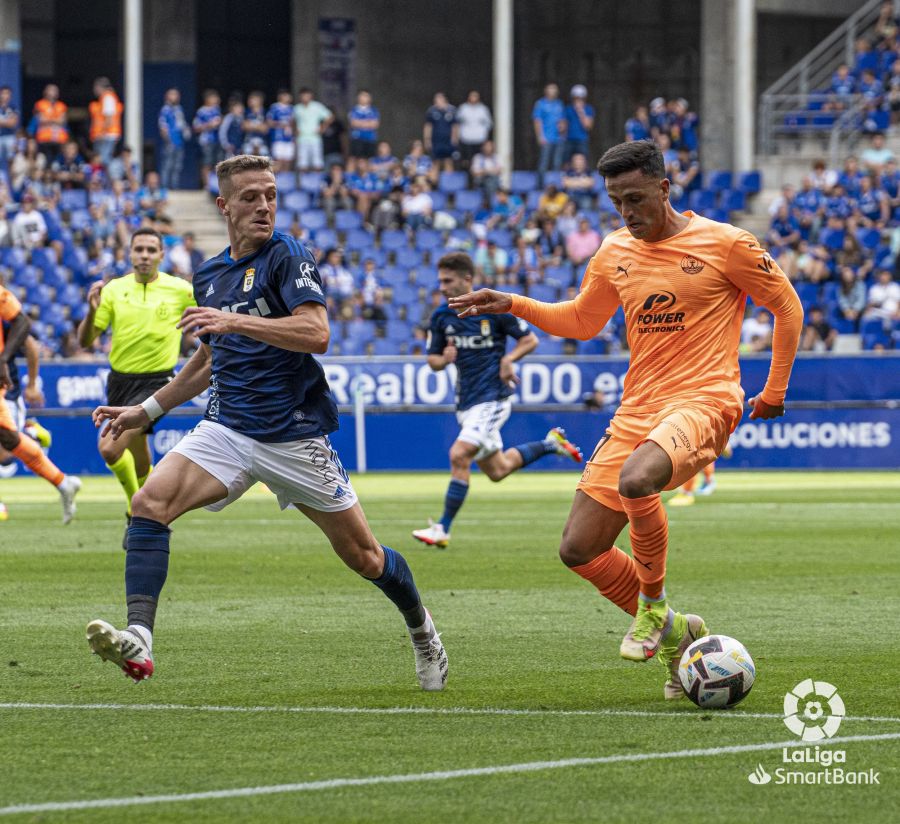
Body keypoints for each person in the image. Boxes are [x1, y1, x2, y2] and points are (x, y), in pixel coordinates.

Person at [448, 140, 803, 700]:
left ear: (664, 188)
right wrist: (512, 303)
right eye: (617, 202)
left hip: (706, 398)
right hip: (639, 407)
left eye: (635, 199)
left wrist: (775, 388)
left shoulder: (727, 243)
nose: (627, 213)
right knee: (578, 547)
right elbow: (582, 321)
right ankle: (678, 637)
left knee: (637, 480)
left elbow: (787, 305)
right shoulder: (614, 250)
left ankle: (653, 608)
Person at [85, 154, 448, 692]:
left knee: (365, 557)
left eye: (271, 195)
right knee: (149, 503)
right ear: (223, 205)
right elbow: (207, 361)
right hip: (228, 428)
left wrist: (233, 319)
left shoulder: (288, 256)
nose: (263, 206)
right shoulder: (209, 275)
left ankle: (423, 632)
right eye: (251, 197)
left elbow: (316, 332)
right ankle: (140, 636)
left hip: (293, 435)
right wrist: (146, 411)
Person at [411, 252, 582, 549]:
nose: (442, 286)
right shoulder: (440, 316)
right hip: (466, 402)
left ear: (467, 279)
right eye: (439, 281)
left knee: (458, 455)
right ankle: (551, 444)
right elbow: (432, 360)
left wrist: (508, 358)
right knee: (498, 470)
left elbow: (530, 340)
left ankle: (442, 528)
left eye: (447, 280)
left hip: (494, 397)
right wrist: (444, 359)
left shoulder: (493, 309)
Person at [77, 228, 196, 545]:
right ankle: (146, 505)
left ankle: (136, 509)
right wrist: (91, 310)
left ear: (161, 255)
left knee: (109, 447)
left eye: (150, 250)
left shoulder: (181, 290)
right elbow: (85, 340)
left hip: (157, 382)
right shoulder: (114, 290)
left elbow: (210, 313)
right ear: (129, 254)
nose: (144, 255)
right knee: (138, 454)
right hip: (120, 380)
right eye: (138, 250)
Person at [0, 284, 80, 522]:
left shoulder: (9, 316)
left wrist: (32, 384)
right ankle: (62, 482)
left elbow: (30, 342)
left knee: (6, 446)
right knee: (6, 442)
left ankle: (32, 436)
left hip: (7, 386)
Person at [158, 88, 191, 190]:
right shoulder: (165, 109)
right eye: (172, 95)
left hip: (179, 142)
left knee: (177, 166)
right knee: (167, 165)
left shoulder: (179, 109)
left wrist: (186, 131)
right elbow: (162, 125)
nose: (175, 97)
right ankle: (165, 188)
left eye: (176, 95)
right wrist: (168, 139)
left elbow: (181, 123)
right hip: (170, 141)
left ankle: (174, 187)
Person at [293, 88, 332, 172]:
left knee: (317, 163)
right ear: (300, 97)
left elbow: (330, 117)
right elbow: (292, 120)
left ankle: (317, 183)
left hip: (315, 138)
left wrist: (323, 127)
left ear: (311, 96)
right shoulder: (297, 108)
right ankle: (304, 184)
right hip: (301, 138)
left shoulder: (317, 106)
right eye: (303, 95)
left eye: (307, 95)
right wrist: (295, 130)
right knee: (302, 163)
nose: (305, 97)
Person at [89, 77, 123, 168]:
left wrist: (102, 133)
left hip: (107, 135)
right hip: (106, 134)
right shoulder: (105, 98)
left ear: (100, 87)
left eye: (95, 87)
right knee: (101, 159)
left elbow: (109, 118)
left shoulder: (108, 97)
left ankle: (108, 180)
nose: (94, 90)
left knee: (104, 160)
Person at [532, 83, 565, 174]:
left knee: (557, 163)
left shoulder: (559, 103)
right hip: (546, 137)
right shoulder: (540, 103)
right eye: (551, 89)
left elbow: (562, 119)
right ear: (546, 91)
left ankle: (555, 185)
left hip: (558, 138)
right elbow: (537, 121)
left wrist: (562, 127)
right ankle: (541, 186)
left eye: (555, 89)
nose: (553, 91)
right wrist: (540, 136)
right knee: (544, 163)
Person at [455, 90, 493, 166]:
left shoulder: (483, 109)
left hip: (479, 138)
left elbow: (489, 123)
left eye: (475, 96)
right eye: (472, 96)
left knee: (478, 161)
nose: (473, 98)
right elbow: (457, 122)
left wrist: (484, 133)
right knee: (467, 161)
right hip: (466, 139)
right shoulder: (463, 108)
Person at [193, 90, 223, 185]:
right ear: (207, 99)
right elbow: (196, 127)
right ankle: (207, 185)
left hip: (217, 141)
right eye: (214, 98)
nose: (217, 100)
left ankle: (216, 185)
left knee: (218, 163)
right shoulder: (202, 111)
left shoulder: (217, 110)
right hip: (206, 141)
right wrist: (209, 125)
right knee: (207, 163)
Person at [423, 92, 458, 172]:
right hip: (436, 141)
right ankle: (435, 182)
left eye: (440, 99)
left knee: (448, 161)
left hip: (448, 141)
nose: (438, 101)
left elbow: (455, 126)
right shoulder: (431, 111)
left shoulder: (451, 110)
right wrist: (427, 140)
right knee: (435, 161)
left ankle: (449, 183)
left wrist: (455, 138)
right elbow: (428, 126)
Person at [33, 84, 68, 161]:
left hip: (59, 139)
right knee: (44, 161)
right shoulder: (39, 104)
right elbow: (41, 120)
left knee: (57, 163)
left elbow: (62, 121)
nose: (53, 92)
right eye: (51, 90)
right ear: (45, 92)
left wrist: (49, 119)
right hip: (44, 138)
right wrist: (55, 119)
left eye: (55, 90)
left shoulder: (62, 106)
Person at [267, 89, 295, 172]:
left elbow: (294, 123)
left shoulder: (292, 108)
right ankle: (277, 183)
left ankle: (286, 183)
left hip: (289, 139)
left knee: (288, 162)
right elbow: (269, 122)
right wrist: (280, 124)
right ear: (280, 96)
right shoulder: (275, 107)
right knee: (278, 162)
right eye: (285, 95)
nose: (288, 97)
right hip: (278, 138)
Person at [564, 85, 595, 161]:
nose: (578, 100)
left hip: (582, 139)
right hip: (569, 139)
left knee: (582, 162)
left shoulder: (588, 109)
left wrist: (581, 112)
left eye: (581, 98)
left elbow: (588, 126)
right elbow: (564, 125)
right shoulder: (568, 109)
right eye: (576, 98)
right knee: (566, 161)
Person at [349, 90, 380, 161]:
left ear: (370, 98)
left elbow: (375, 124)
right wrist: (368, 123)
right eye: (362, 96)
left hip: (370, 139)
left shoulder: (374, 110)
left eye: (366, 96)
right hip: (357, 139)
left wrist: (360, 123)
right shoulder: (354, 110)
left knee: (370, 159)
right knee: (356, 159)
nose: (363, 98)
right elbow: (353, 123)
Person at [0, 86, 20, 164]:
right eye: (3, 93)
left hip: (9, 136)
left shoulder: (13, 108)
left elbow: (13, 123)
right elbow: (9, 122)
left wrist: (2, 122)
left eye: (7, 93)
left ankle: (11, 176)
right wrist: (7, 121)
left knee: (11, 159)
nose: (4, 96)